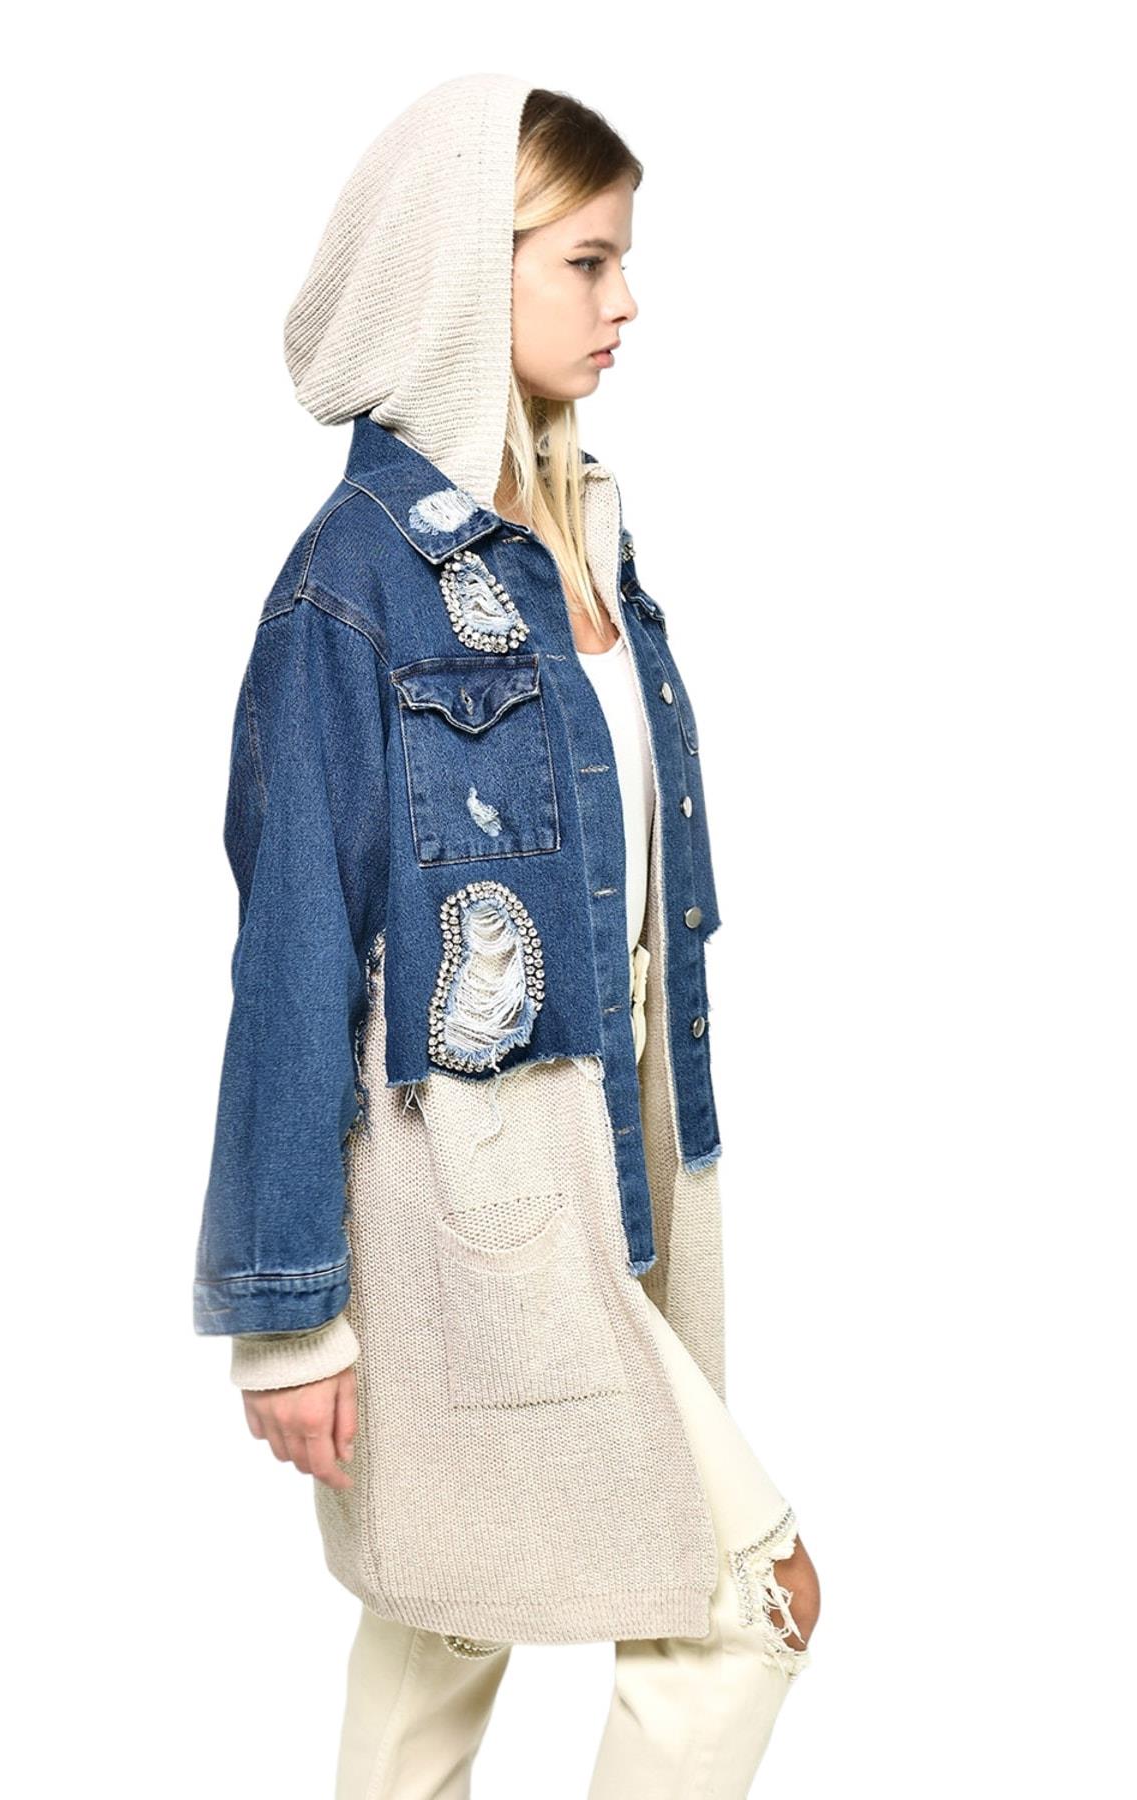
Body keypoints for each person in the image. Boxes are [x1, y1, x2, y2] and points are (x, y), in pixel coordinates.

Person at [193, 71, 820, 1797]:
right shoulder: (349, 587)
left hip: (629, 1157)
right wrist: (288, 1314)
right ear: (468, 279)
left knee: (445, 1619)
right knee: (748, 1602)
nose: (628, 304)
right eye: (587, 262)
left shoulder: (584, 543)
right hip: (464, 1212)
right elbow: (292, 956)